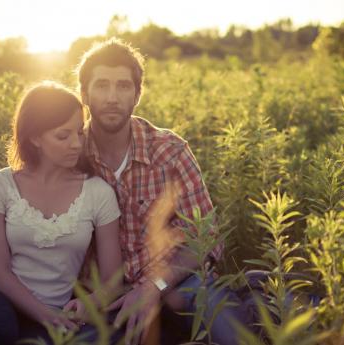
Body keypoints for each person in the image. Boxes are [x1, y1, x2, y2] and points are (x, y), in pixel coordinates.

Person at [76, 38, 244, 345]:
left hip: (175, 285)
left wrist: (153, 285)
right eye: (101, 85)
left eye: (123, 86)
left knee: (221, 316)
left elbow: (205, 239)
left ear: (137, 94)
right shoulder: (70, 157)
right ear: (84, 93)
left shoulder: (170, 151)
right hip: (106, 299)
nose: (112, 97)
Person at [0, 82, 123, 345]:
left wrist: (90, 303)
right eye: (63, 136)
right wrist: (46, 316)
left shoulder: (98, 193)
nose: (76, 144)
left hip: (53, 310)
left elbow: (112, 281)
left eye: (79, 133)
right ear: (35, 137)